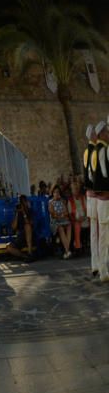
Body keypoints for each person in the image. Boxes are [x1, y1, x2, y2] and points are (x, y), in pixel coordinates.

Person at [91, 120, 109, 283]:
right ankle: (104, 270)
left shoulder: (94, 150)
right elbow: (104, 173)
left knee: (102, 235)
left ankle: (102, 268)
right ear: (102, 134)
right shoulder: (103, 149)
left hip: (99, 198)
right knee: (103, 236)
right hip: (105, 198)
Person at [83, 124, 99, 277]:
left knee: (95, 232)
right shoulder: (94, 151)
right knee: (99, 232)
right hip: (97, 196)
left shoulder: (87, 152)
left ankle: (96, 264)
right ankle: (100, 264)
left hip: (90, 196)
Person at [5, 195, 34, 261]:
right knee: (9, 248)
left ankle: (30, 252)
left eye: (24, 202)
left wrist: (24, 212)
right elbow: (13, 227)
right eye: (21, 203)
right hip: (21, 236)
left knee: (27, 226)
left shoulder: (30, 211)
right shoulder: (18, 213)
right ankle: (25, 256)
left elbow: (30, 223)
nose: (23, 204)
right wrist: (17, 213)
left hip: (30, 236)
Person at [49, 185, 72, 259]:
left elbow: (66, 212)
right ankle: (67, 250)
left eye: (58, 192)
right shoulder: (50, 202)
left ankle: (66, 251)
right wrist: (61, 215)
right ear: (52, 193)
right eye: (55, 192)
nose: (56, 194)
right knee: (60, 228)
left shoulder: (63, 201)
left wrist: (61, 215)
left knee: (69, 226)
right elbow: (53, 214)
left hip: (63, 220)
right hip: (55, 222)